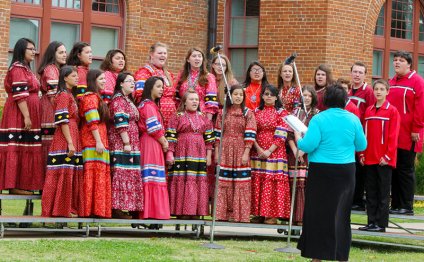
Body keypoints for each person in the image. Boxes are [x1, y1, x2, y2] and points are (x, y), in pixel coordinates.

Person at [296, 84, 367, 261]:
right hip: (345, 171)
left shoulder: (318, 120)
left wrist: (298, 136)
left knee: (317, 214)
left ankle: (316, 257)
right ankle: (341, 256)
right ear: (345, 100)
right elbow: (361, 145)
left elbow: (308, 146)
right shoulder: (353, 119)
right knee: (342, 214)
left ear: (325, 100)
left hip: (321, 171)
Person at [0, 38, 43, 195]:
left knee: (26, 147)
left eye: (34, 49)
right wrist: (26, 116)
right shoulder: (17, 69)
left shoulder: (26, 68)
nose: (33, 51)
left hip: (27, 111)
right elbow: (19, 94)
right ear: (21, 51)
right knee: (16, 147)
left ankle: (23, 183)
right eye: (30, 49)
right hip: (18, 113)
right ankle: (13, 185)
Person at [358, 79, 400, 232]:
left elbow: (393, 136)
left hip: (384, 160)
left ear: (387, 92)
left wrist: (388, 156)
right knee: (370, 192)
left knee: (383, 193)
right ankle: (371, 222)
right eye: (376, 89)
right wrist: (362, 153)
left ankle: (380, 224)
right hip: (369, 158)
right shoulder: (368, 110)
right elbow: (363, 134)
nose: (379, 92)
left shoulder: (392, 111)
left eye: (382, 89)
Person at [41, 65, 83, 217]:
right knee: (63, 171)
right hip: (65, 136)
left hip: (72, 133)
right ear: (65, 78)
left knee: (69, 170)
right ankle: (60, 209)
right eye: (73, 76)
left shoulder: (69, 94)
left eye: (77, 75)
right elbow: (62, 120)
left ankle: (66, 208)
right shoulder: (63, 95)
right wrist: (70, 142)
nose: (77, 78)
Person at [166, 89, 214, 218]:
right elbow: (171, 136)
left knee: (196, 180)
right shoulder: (177, 116)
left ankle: (195, 211)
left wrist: (208, 156)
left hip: (199, 152)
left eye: (196, 99)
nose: (194, 102)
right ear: (184, 102)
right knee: (183, 179)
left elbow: (209, 138)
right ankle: (182, 211)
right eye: (191, 99)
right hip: (182, 151)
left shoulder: (203, 117)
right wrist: (170, 153)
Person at [387, 51, 424, 216]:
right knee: (394, 169)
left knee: (405, 169)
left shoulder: (417, 81)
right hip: (393, 133)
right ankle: (395, 204)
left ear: (409, 64)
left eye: (401, 60)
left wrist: (417, 128)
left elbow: (421, 107)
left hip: (409, 133)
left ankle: (407, 206)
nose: (396, 63)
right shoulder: (391, 81)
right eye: (395, 60)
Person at [213, 85, 256, 222]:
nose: (238, 97)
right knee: (224, 181)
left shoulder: (247, 113)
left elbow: (250, 133)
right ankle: (222, 214)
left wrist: (246, 152)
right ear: (230, 96)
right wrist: (216, 152)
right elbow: (218, 134)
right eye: (235, 94)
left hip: (240, 148)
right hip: (225, 149)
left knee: (240, 182)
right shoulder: (222, 113)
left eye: (241, 95)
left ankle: (240, 215)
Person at [250, 84, 291, 224]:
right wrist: (258, 147)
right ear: (262, 96)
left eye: (271, 94)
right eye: (266, 94)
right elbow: (251, 130)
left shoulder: (282, 112)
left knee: (272, 182)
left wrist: (269, 150)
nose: (268, 96)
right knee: (258, 181)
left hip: (275, 152)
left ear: (276, 97)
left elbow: (282, 133)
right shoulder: (255, 111)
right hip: (257, 151)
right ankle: (258, 213)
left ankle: (271, 215)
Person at [109, 72, 143, 219]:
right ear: (121, 83)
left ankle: (126, 207)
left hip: (132, 141)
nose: (132, 83)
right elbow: (120, 122)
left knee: (129, 173)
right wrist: (126, 142)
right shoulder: (118, 100)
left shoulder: (128, 100)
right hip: (122, 141)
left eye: (133, 81)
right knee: (121, 173)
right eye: (129, 81)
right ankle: (116, 208)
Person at [79, 69, 111, 218]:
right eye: (101, 79)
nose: (104, 81)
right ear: (93, 81)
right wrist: (98, 141)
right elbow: (92, 121)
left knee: (99, 175)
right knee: (92, 175)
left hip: (100, 138)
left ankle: (97, 210)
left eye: (105, 79)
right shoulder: (90, 97)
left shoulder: (98, 97)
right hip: (92, 140)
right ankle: (89, 210)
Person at [286, 85, 319, 224]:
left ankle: (303, 217)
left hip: (308, 154)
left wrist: (304, 150)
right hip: (294, 152)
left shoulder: (316, 114)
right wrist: (295, 150)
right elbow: (289, 134)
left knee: (304, 185)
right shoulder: (295, 113)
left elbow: (316, 135)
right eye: (304, 95)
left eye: (309, 95)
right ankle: (292, 217)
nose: (306, 98)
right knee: (293, 184)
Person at [138, 76, 170, 220]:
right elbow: (153, 127)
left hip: (150, 142)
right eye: (158, 86)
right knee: (152, 177)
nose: (161, 89)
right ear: (150, 87)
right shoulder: (148, 105)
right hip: (151, 143)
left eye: (162, 87)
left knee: (151, 176)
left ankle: (152, 212)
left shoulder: (146, 105)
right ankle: (152, 212)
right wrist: (164, 142)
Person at [347, 62, 375, 211]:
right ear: (351, 73)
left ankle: (358, 200)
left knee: (360, 168)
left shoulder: (368, 92)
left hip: (362, 135)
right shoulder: (347, 92)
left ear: (365, 75)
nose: (357, 75)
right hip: (348, 137)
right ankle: (351, 198)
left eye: (360, 72)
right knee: (351, 168)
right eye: (355, 72)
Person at [37, 41, 67, 174]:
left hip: (53, 107)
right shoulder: (50, 69)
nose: (64, 55)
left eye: (65, 52)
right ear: (52, 54)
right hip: (50, 109)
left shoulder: (57, 69)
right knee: (50, 143)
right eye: (61, 52)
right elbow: (53, 95)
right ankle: (47, 180)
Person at [135, 43, 176, 128]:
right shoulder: (144, 72)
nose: (163, 55)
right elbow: (140, 96)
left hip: (171, 119)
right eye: (160, 53)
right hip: (154, 117)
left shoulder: (169, 74)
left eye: (165, 53)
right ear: (151, 55)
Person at [174, 47, 218, 120]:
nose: (197, 58)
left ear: (202, 59)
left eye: (199, 56)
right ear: (188, 59)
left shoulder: (209, 77)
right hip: (182, 114)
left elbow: (211, 102)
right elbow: (176, 98)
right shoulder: (181, 75)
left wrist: (208, 121)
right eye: (194, 56)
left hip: (200, 114)